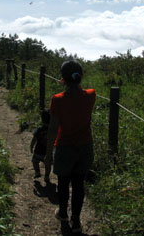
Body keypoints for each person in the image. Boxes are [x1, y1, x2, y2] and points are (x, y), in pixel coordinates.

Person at [45, 60, 96, 234]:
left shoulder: (57, 100)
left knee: (63, 183)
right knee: (79, 184)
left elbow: (53, 129)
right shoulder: (91, 95)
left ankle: (63, 214)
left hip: (64, 148)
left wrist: (47, 153)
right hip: (85, 148)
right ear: (80, 77)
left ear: (63, 79)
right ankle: (76, 222)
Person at [30, 109, 52, 182]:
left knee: (35, 161)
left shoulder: (39, 129)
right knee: (48, 165)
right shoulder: (53, 130)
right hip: (48, 152)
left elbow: (34, 139)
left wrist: (31, 147)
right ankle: (46, 176)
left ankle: (37, 172)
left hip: (38, 151)